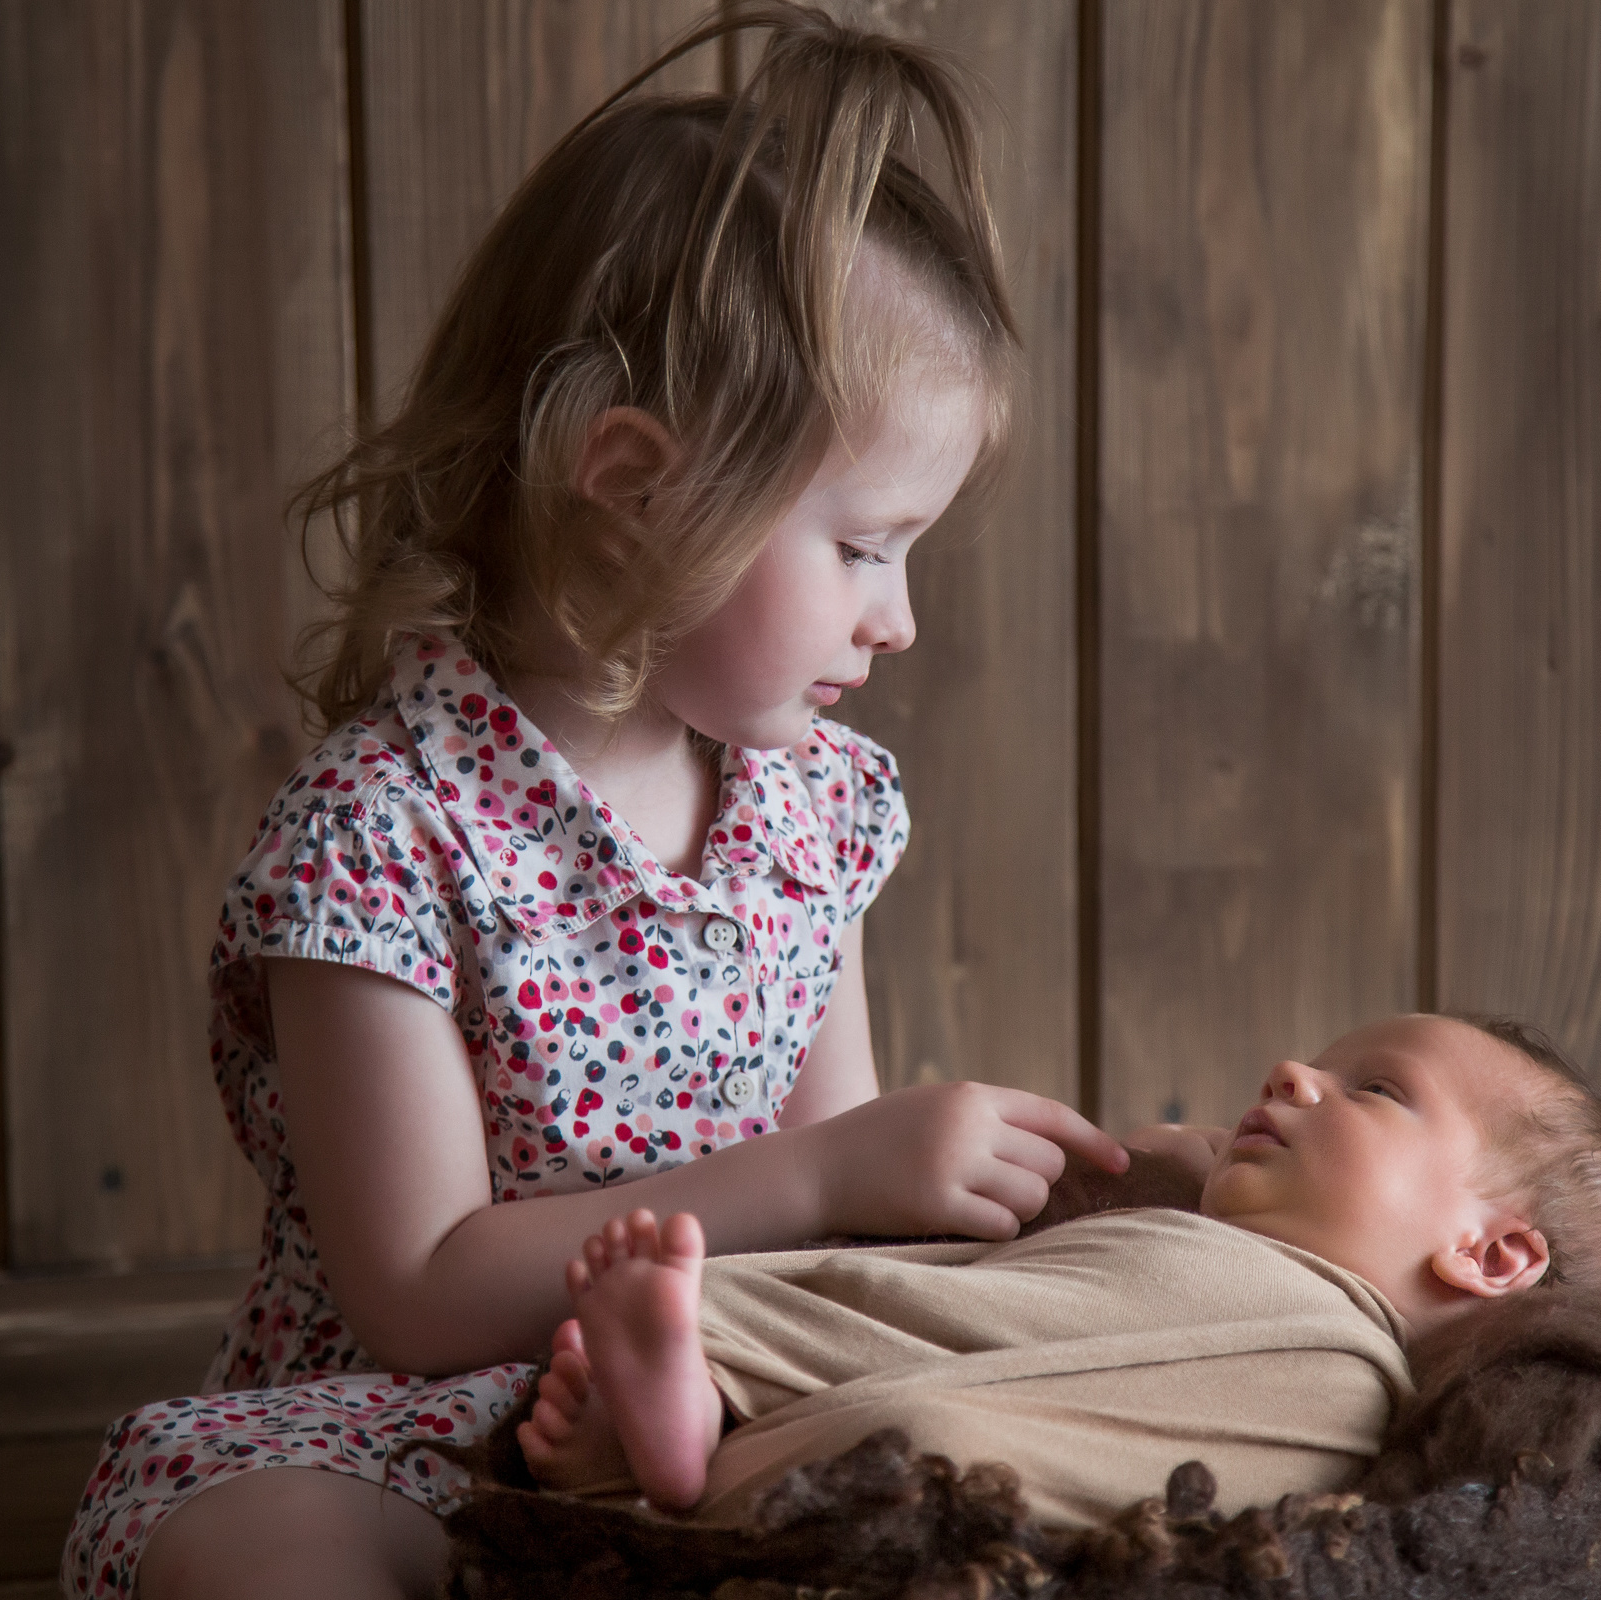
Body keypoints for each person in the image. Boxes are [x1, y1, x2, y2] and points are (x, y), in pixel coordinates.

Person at [62, 8, 1129, 1597]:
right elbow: (419, 1291)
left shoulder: (814, 809)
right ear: (635, 489)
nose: (898, 619)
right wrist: (827, 1175)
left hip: (720, 1400)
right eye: (861, 548)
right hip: (413, 1433)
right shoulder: (382, 833)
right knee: (249, 1548)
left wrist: (971, 1195)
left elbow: (837, 1223)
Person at [516, 1013, 1601, 1524]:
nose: (1292, 1072)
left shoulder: (1331, 1332)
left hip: (953, 1452)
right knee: (945, 1375)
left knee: (925, 1341)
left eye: (1373, 1088)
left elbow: (964, 1309)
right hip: (955, 1453)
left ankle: (709, 1362)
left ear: (1489, 1251)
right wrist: (1162, 1176)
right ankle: (690, 1419)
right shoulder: (1201, 1251)